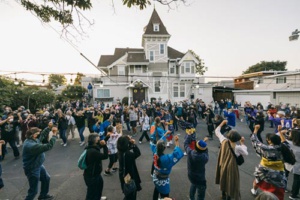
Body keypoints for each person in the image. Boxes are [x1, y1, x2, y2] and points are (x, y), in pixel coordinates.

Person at [250, 125, 287, 200]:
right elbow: (285, 142)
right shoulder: (283, 147)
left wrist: (256, 129)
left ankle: (254, 190)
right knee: (278, 186)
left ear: (270, 141)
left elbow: (255, 141)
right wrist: (280, 132)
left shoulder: (266, 148)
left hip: (264, 170)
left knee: (258, 179)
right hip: (279, 171)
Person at [215, 120, 248, 200]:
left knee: (223, 178)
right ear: (237, 139)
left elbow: (217, 131)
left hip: (223, 164)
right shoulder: (237, 148)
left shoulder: (223, 140)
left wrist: (222, 124)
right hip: (231, 167)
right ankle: (229, 196)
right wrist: (242, 142)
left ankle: (223, 195)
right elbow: (245, 153)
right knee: (231, 181)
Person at [22, 127, 58, 200]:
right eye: (38, 134)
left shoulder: (33, 140)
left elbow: (41, 136)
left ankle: (43, 196)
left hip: (38, 165)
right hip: (32, 168)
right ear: (33, 135)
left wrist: (48, 127)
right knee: (33, 191)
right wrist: (54, 135)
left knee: (46, 178)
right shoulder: (30, 145)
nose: (39, 135)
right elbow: (48, 146)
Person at [151, 134, 184, 200]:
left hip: (156, 176)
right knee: (165, 196)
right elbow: (176, 154)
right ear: (165, 148)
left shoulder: (155, 152)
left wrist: (165, 135)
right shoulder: (165, 159)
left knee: (157, 189)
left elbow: (159, 142)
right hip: (163, 181)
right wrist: (176, 142)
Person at [184, 131, 209, 200]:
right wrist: (204, 143)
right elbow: (205, 151)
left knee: (193, 184)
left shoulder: (189, 152)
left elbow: (186, 144)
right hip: (200, 178)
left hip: (191, 175)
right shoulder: (204, 158)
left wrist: (188, 135)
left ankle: (191, 198)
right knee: (200, 195)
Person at [84, 133, 108, 200]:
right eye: (98, 139)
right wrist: (105, 145)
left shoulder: (90, 146)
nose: (99, 140)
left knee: (99, 186)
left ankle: (98, 197)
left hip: (95, 174)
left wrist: (107, 137)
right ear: (95, 141)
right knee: (91, 193)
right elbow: (105, 156)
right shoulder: (93, 152)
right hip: (92, 176)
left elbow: (99, 146)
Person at [117, 135, 142, 200]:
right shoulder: (128, 154)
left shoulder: (120, 152)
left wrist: (129, 142)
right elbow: (138, 153)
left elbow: (126, 148)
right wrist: (133, 144)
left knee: (128, 193)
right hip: (130, 175)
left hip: (123, 175)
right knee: (131, 193)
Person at [278, 128, 300, 200]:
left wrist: (280, 131)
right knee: (297, 180)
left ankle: (283, 187)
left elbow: (282, 139)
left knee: (285, 175)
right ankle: (293, 195)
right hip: (298, 165)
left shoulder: (288, 143)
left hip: (287, 162)